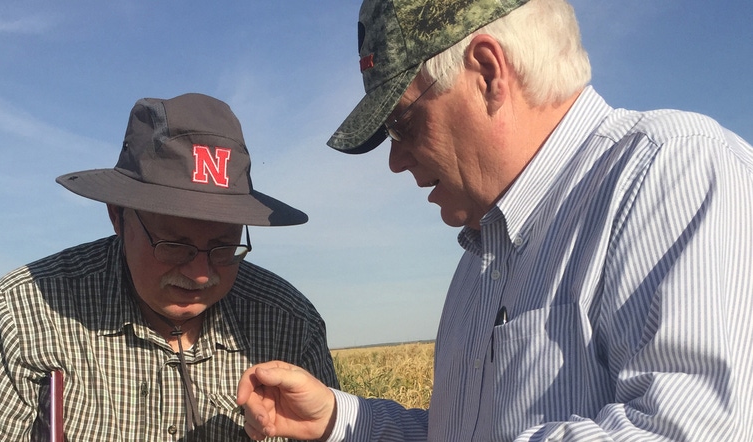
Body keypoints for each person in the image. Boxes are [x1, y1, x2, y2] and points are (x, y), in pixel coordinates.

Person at [236, 0, 753, 440]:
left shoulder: (670, 172)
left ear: (487, 74)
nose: (395, 160)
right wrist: (338, 416)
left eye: (403, 123)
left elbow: (691, 427)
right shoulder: (483, 258)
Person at [0, 92, 339, 441]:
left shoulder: (290, 323)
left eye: (223, 246)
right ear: (118, 217)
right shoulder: (27, 309)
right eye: (174, 245)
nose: (200, 272)